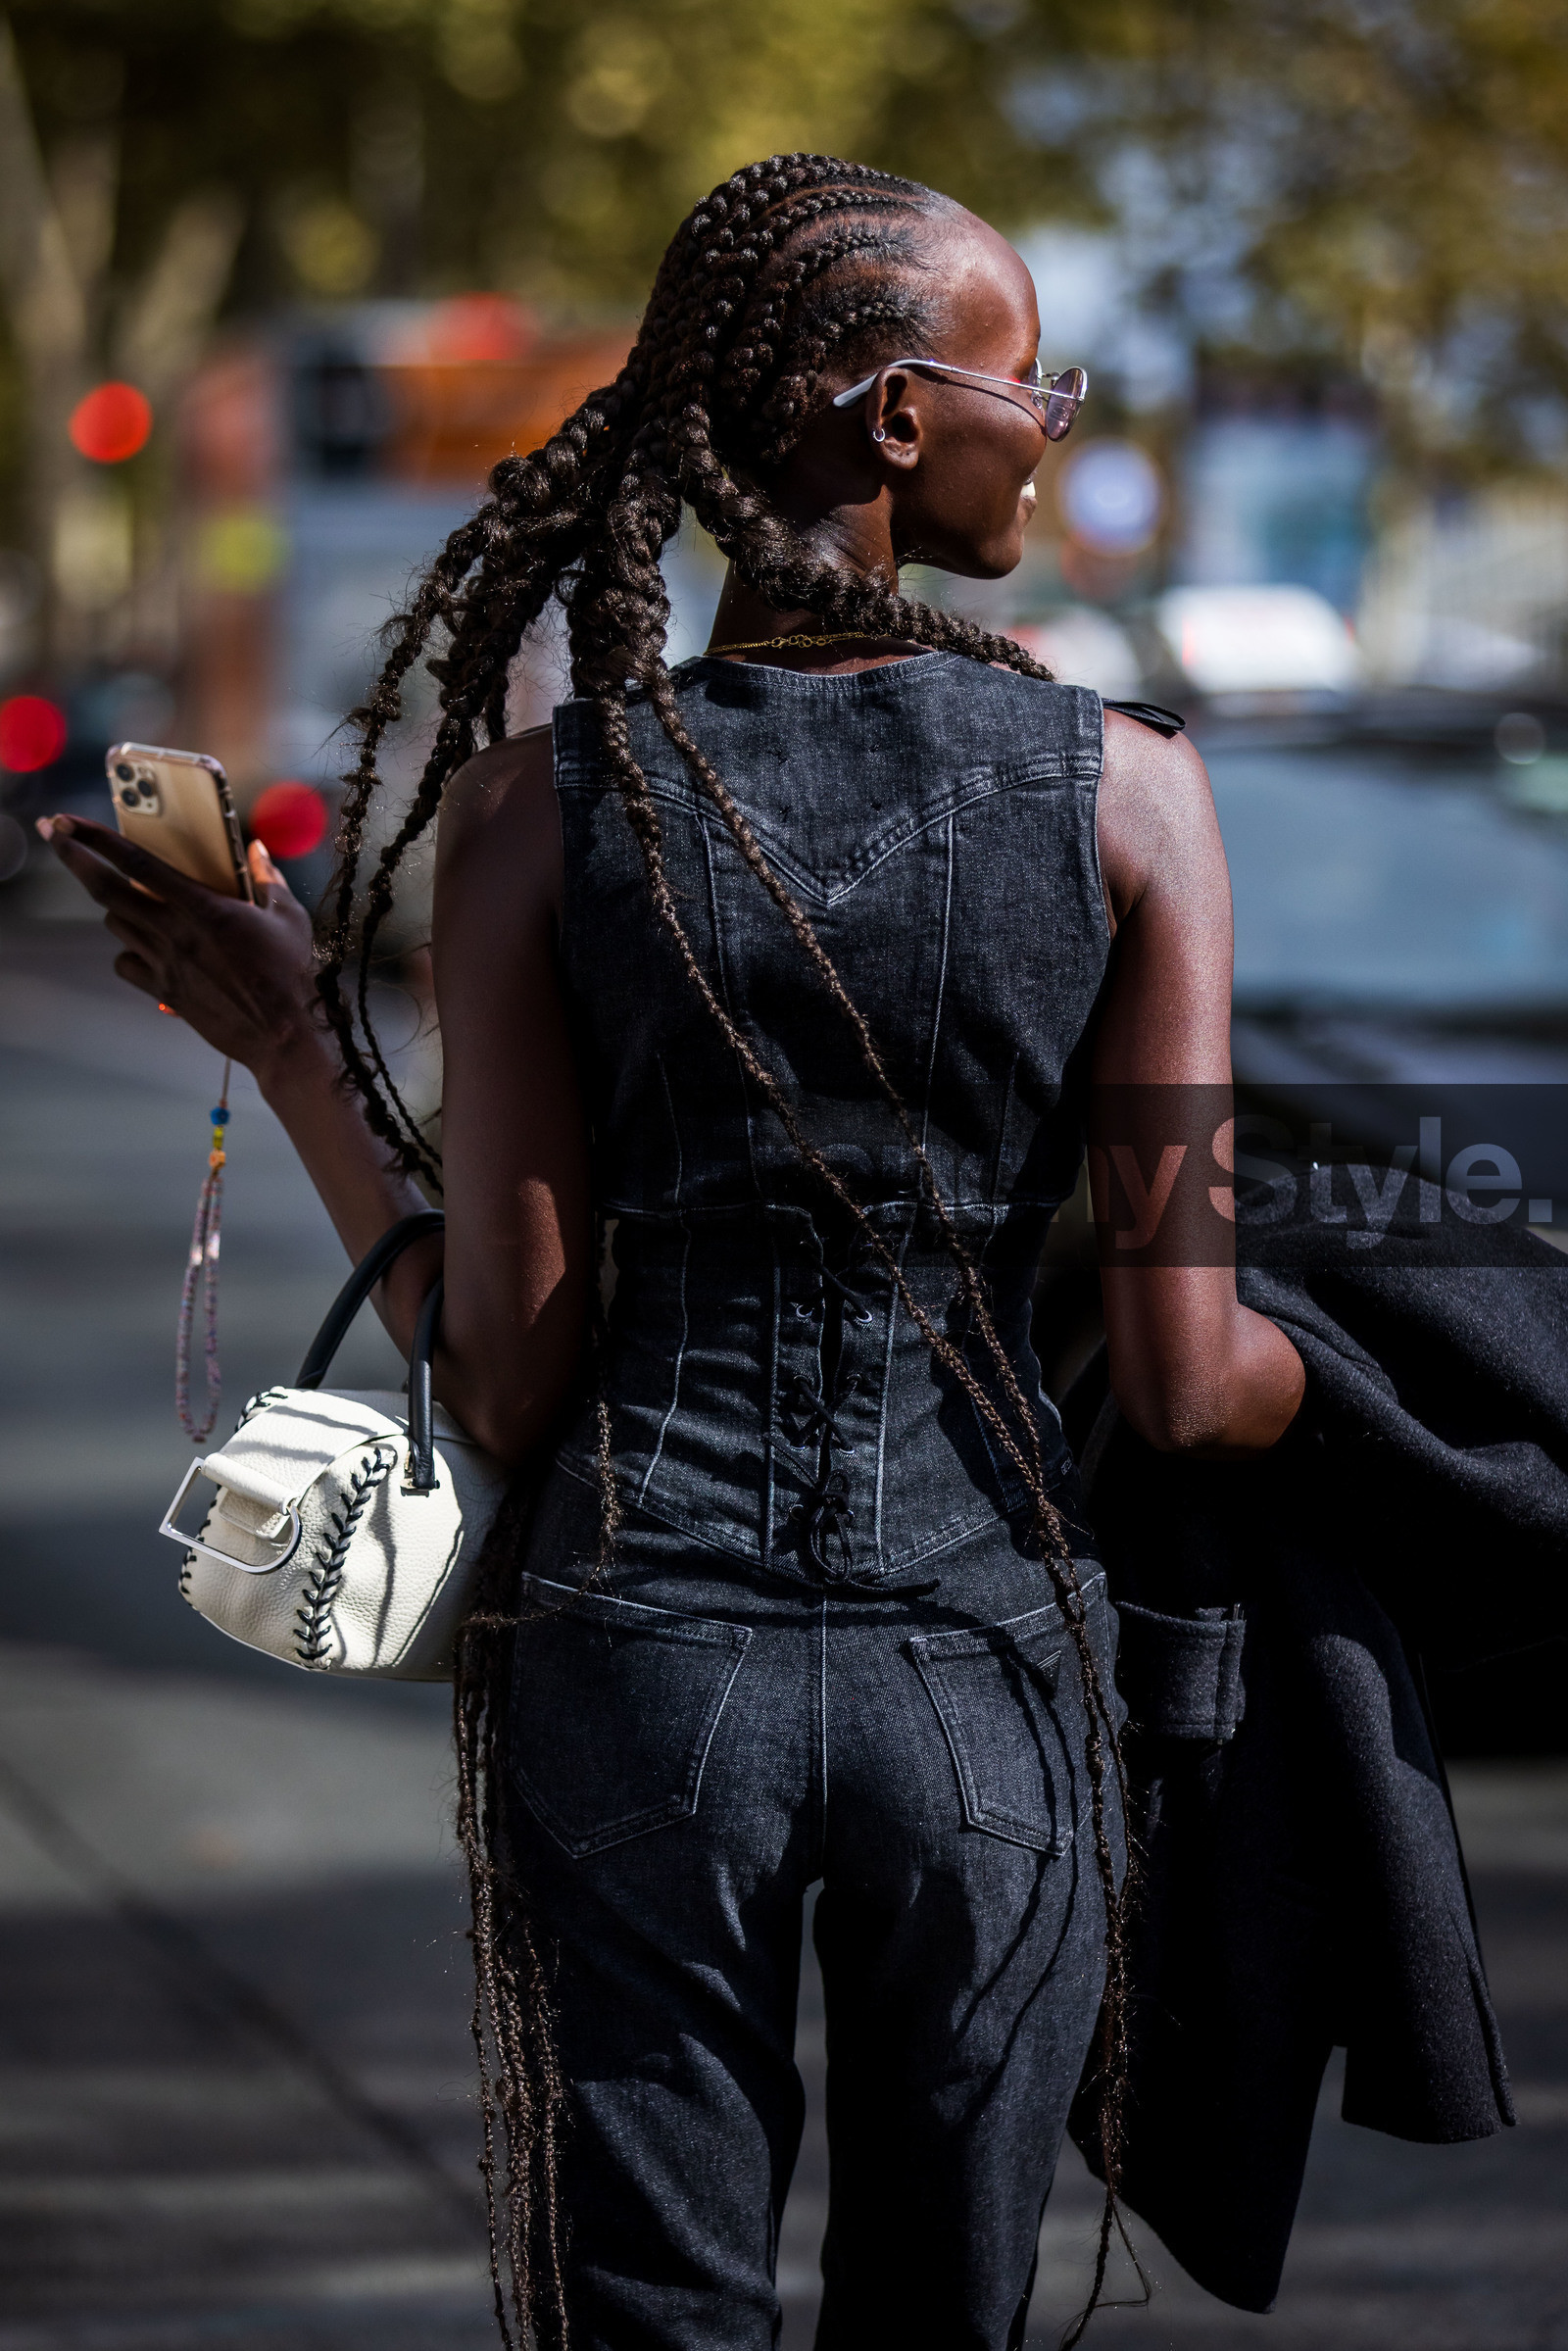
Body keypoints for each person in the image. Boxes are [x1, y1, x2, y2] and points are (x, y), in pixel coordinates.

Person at [43, 155, 1303, 2351]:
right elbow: (1190, 1378)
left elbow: (511, 1382)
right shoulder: (1130, 800)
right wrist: (1363, 1354)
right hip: (986, 1676)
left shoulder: (546, 808)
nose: (1056, 423)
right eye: (1038, 380)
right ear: (899, 420)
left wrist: (284, 1040)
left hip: (635, 1672)